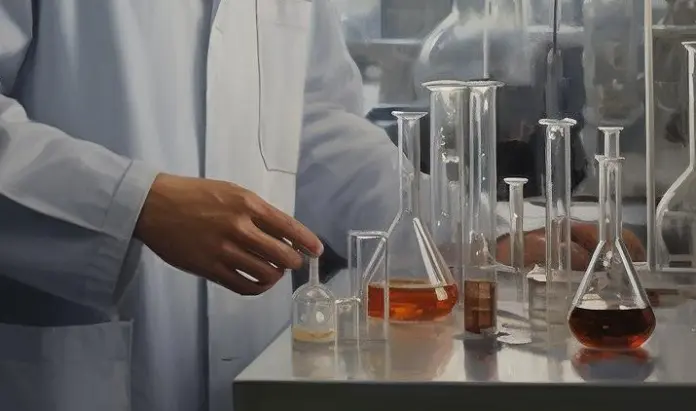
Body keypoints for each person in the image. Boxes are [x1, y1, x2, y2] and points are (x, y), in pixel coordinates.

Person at [0, 1, 644, 411]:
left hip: (255, 349)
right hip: (78, 356)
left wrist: (478, 238)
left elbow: (312, 126)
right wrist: (137, 203)